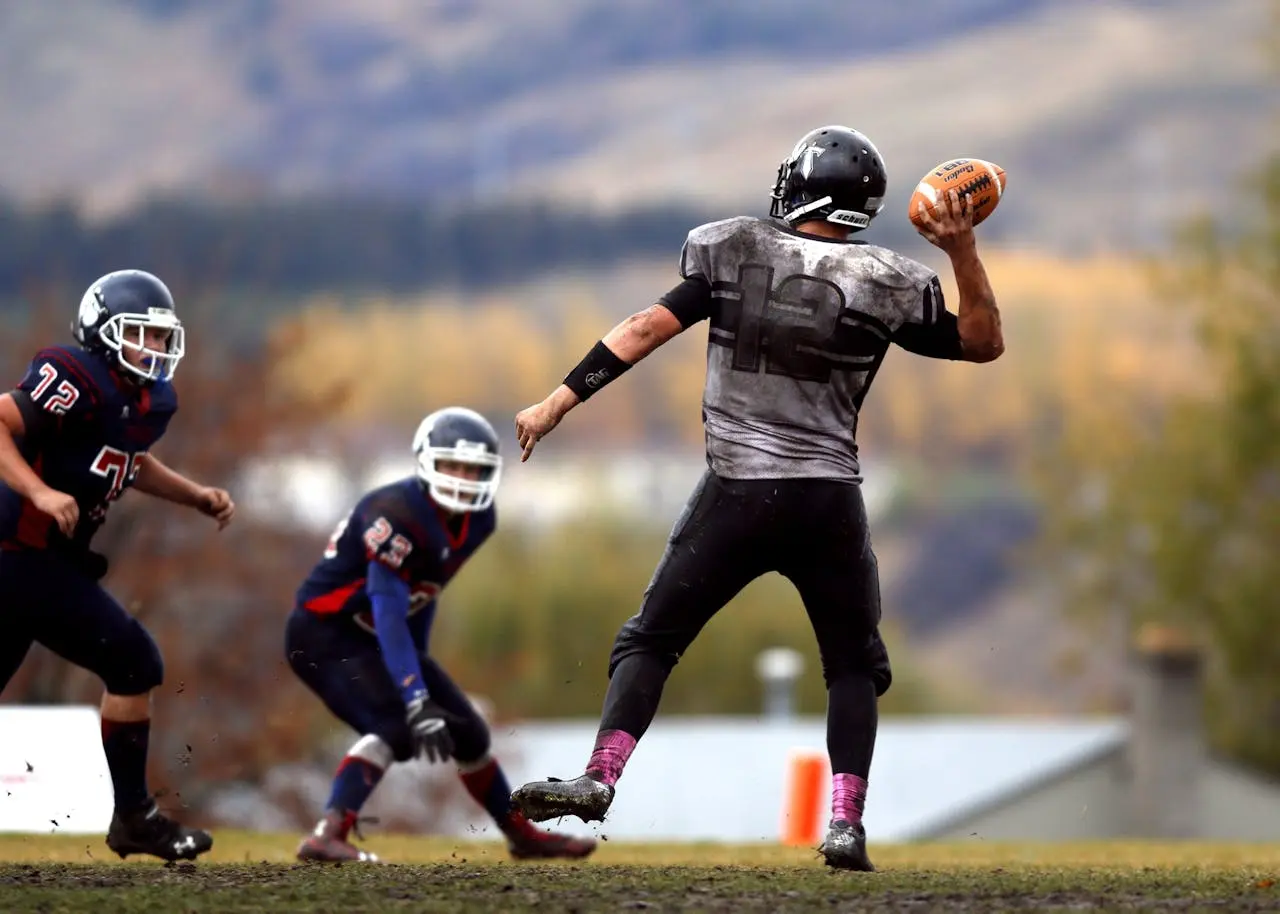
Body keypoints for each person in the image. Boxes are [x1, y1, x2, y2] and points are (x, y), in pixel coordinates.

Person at [509, 125, 1004, 870]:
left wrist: (557, 401)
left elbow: (645, 328)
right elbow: (982, 342)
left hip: (738, 491)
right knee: (851, 666)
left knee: (650, 639)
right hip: (828, 501)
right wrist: (962, 250)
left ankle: (600, 776)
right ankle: (844, 824)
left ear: (806, 187)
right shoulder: (884, 277)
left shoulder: (735, 248)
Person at [287, 406, 597, 863]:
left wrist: (420, 668)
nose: (461, 477)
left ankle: (520, 836)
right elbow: (390, 608)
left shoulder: (479, 520)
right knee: (396, 727)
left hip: (377, 636)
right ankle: (327, 834)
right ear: (425, 461)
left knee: (470, 734)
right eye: (451, 464)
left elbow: (424, 594)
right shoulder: (393, 514)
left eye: (472, 468)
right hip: (323, 636)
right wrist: (415, 695)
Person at [0, 269, 236, 862]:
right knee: (133, 660)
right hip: (17, 555)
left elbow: (130, 459)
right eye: (141, 335)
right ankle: (135, 817)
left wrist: (196, 495)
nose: (154, 349)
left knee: (131, 663)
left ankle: (134, 817)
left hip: (41, 564)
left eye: (161, 338)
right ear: (102, 333)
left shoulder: (148, 401)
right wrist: (39, 493)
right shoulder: (77, 377)